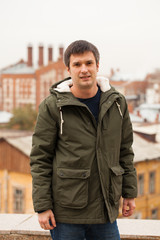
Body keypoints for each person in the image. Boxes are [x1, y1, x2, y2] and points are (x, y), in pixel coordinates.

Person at [30, 40, 137, 240]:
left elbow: (125, 151)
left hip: (106, 210)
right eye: (77, 65)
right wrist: (43, 206)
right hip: (67, 213)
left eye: (88, 63)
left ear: (97, 66)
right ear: (68, 69)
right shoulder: (53, 106)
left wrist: (129, 193)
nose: (84, 69)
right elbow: (40, 159)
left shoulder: (117, 103)